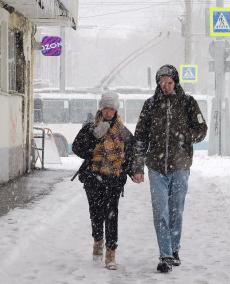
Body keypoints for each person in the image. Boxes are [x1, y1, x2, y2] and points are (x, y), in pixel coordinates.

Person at [132, 64, 207, 273]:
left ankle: (174, 249)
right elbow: (140, 138)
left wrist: (186, 136)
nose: (165, 86)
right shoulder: (150, 105)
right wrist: (138, 166)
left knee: (176, 211)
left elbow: (202, 129)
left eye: (169, 82)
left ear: (175, 82)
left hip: (180, 166)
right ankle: (165, 254)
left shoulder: (188, 103)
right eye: (161, 83)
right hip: (156, 167)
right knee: (160, 211)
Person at [72, 91, 135, 270]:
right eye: (106, 108)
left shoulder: (122, 131)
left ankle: (111, 253)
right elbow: (77, 148)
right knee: (96, 213)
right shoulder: (90, 127)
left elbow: (130, 155)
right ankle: (98, 241)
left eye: (112, 109)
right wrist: (94, 137)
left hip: (114, 180)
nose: (109, 112)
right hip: (93, 178)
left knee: (111, 215)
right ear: (101, 108)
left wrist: (133, 172)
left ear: (116, 110)